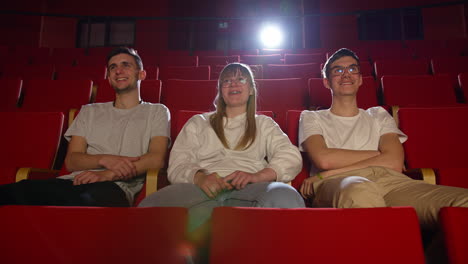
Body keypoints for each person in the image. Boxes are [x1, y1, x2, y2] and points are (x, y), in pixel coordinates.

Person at [298, 48, 468, 230]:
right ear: (326, 82)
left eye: (353, 69)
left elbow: (394, 163)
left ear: (361, 79)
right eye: (338, 70)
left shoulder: (378, 114)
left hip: (391, 182)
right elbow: (325, 159)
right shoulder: (311, 117)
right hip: (339, 184)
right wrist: (379, 155)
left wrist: (330, 171)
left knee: (462, 202)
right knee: (360, 191)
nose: (346, 74)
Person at [139, 63, 304, 232]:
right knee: (150, 206)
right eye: (227, 81)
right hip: (200, 190)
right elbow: (178, 162)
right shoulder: (198, 122)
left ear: (252, 89)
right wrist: (200, 177)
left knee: (286, 196)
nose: (233, 84)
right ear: (220, 90)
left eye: (241, 79)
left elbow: (290, 156)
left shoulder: (264, 124)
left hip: (250, 190)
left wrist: (258, 176)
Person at [0, 47, 170, 207]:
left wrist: (107, 174)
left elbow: (156, 159)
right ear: (109, 77)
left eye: (126, 65)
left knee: (82, 203)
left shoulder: (157, 111)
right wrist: (104, 159)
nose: (118, 71)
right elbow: (72, 161)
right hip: (74, 181)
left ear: (141, 74)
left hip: (115, 187)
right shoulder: (89, 111)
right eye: (113, 67)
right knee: (14, 191)